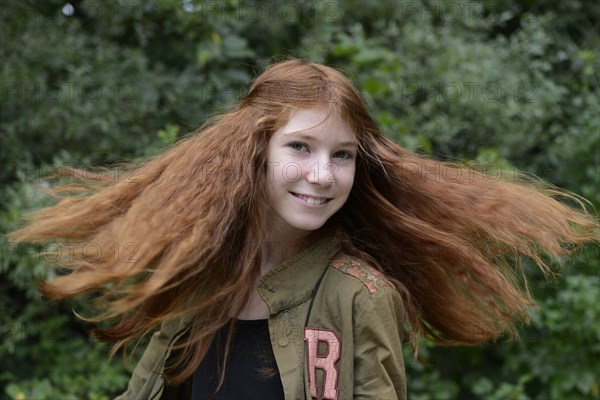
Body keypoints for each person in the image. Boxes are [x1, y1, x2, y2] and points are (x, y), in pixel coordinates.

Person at [7, 59, 598, 400]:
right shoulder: (198, 278)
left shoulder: (360, 295)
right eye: (300, 147)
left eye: (342, 155)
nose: (323, 175)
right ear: (254, 151)